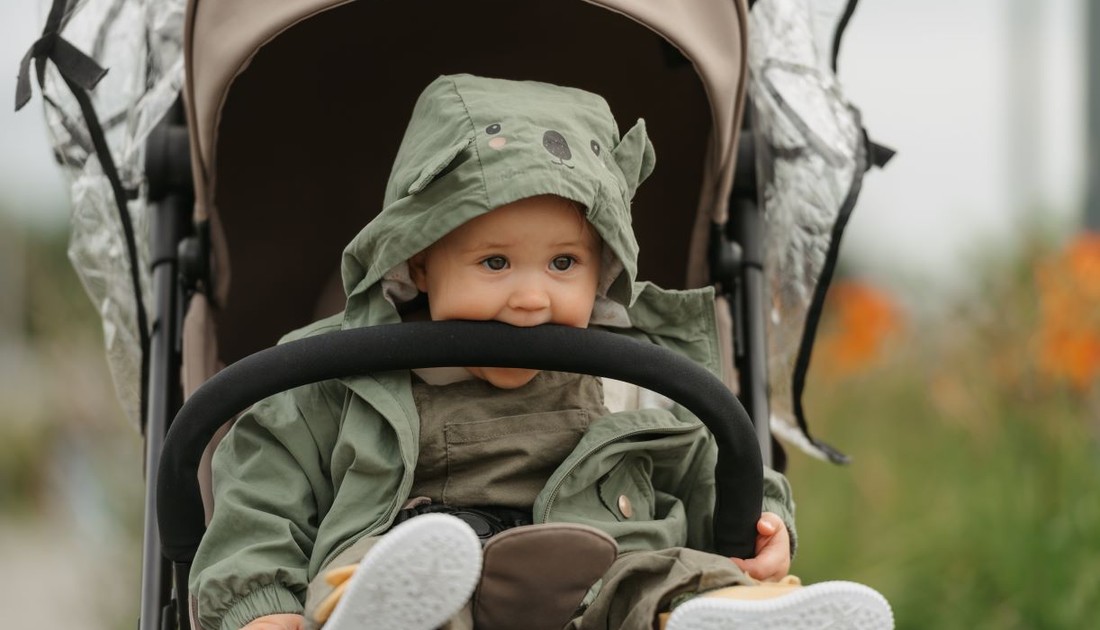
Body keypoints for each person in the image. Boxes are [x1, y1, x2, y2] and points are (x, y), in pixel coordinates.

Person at [190, 74, 892, 630]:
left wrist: (764, 525)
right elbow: (262, 496)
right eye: (495, 263)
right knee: (388, 569)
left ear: (603, 267)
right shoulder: (341, 376)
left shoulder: (640, 376)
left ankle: (723, 616)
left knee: (662, 574)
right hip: (433, 578)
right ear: (421, 264)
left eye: (562, 265)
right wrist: (259, 604)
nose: (530, 299)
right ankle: (373, 617)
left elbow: (717, 462)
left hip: (601, 590)